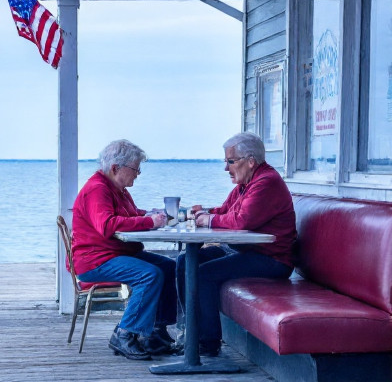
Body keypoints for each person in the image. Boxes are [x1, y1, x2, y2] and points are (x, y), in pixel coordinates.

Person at [177, 132, 296, 356]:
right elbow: (225, 211)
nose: (226, 168)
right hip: (246, 251)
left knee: (203, 274)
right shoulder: (246, 184)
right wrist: (203, 212)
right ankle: (189, 332)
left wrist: (209, 220)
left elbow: (242, 221)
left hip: (272, 260)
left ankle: (207, 342)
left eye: (230, 161)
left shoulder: (266, 183)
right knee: (185, 262)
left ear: (250, 161)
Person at [72, 139, 177, 361]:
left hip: (115, 253)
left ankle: (155, 331)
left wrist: (150, 214)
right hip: (96, 260)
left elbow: (129, 214)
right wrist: (149, 222)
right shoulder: (97, 189)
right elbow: (107, 225)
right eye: (135, 169)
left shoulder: (117, 189)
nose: (138, 174)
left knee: (169, 267)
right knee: (149, 274)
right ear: (115, 168)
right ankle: (124, 333)